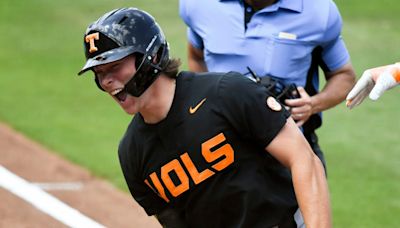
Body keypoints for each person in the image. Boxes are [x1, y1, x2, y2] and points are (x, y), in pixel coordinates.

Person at [78, 7, 331, 228]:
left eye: (114, 67)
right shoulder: (133, 153)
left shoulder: (227, 93)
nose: (107, 81)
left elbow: (304, 160)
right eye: (99, 73)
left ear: (151, 57)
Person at [179, 0, 357, 169]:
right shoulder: (198, 5)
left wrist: (312, 104)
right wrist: (207, 101)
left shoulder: (318, 11)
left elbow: (344, 76)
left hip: (290, 153)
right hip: (222, 151)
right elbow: (197, 56)